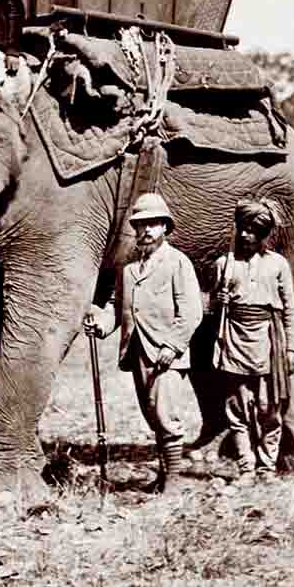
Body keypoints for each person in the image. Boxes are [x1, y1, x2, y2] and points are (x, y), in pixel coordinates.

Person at [83, 192, 203, 494]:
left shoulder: (178, 263)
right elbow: (117, 306)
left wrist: (172, 346)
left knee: (166, 416)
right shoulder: (129, 269)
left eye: (153, 224)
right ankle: (164, 476)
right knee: (152, 414)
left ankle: (173, 482)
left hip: (166, 354)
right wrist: (102, 323)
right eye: (141, 224)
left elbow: (191, 311)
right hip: (137, 351)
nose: (146, 230)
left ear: (165, 227)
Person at [208, 199, 294, 486]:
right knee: (237, 407)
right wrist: (217, 301)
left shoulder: (277, 265)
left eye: (254, 231)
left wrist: (292, 348)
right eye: (243, 229)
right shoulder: (225, 264)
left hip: (268, 342)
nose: (246, 235)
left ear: (264, 235)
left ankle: (267, 467)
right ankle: (246, 466)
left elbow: (290, 309)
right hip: (234, 339)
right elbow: (211, 305)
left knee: (267, 407)